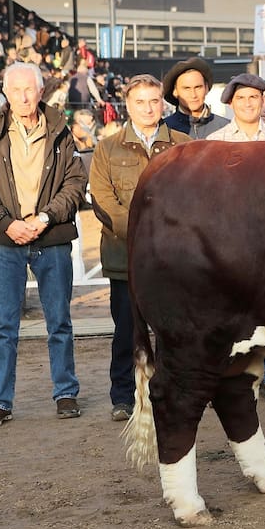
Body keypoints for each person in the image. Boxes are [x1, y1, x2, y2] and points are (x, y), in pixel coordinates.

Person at [0, 62, 88, 429]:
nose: (22, 97)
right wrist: (9, 224)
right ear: (4, 91)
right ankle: (0, 401)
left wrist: (45, 218)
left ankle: (65, 393)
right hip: (5, 240)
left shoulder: (61, 130)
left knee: (59, 322)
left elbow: (74, 183)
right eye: (14, 89)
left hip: (51, 237)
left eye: (29, 89)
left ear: (41, 91)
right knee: (4, 326)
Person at [88, 74, 190, 421]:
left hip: (174, 257)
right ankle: (123, 396)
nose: (148, 109)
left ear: (163, 103)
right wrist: (138, 232)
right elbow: (103, 199)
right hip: (125, 257)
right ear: (127, 106)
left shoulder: (183, 144)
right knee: (127, 329)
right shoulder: (107, 148)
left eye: (153, 101)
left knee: (173, 328)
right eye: (140, 102)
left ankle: (172, 391)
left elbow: (193, 197)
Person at [206, 73, 265, 403]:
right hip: (227, 236)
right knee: (228, 308)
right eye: (241, 98)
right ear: (231, 103)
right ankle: (229, 376)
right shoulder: (215, 142)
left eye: (254, 98)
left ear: (264, 103)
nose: (248, 103)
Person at [161, 57, 229, 139]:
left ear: (207, 88)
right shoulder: (163, 130)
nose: (193, 95)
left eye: (198, 87)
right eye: (186, 88)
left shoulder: (225, 127)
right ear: (175, 91)